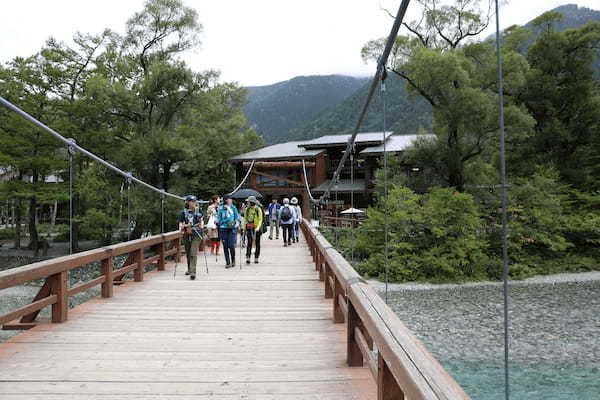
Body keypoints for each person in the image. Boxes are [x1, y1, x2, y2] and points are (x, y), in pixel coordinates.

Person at [178, 195, 203, 280]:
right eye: (192, 201)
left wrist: (201, 225)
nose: (193, 203)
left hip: (196, 233)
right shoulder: (183, 212)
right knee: (188, 252)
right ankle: (189, 268)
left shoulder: (199, 210)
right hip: (187, 233)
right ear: (187, 202)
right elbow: (180, 224)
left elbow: (201, 220)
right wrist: (184, 226)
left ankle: (193, 272)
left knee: (193, 252)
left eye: (195, 201)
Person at [216, 195, 240, 268]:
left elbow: (237, 217)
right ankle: (227, 262)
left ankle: (233, 260)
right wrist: (217, 222)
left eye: (231, 199)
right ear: (226, 200)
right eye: (230, 199)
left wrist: (236, 223)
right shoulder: (221, 208)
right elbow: (219, 218)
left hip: (232, 228)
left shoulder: (233, 207)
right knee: (225, 246)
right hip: (223, 228)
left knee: (231, 245)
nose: (231, 200)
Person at [243, 196, 264, 264]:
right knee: (249, 242)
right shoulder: (247, 209)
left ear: (252, 202)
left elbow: (261, 219)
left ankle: (256, 257)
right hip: (249, 227)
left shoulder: (258, 209)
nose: (247, 203)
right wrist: (244, 228)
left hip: (257, 228)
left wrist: (258, 227)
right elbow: (245, 219)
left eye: (248, 202)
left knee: (257, 243)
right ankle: (248, 257)